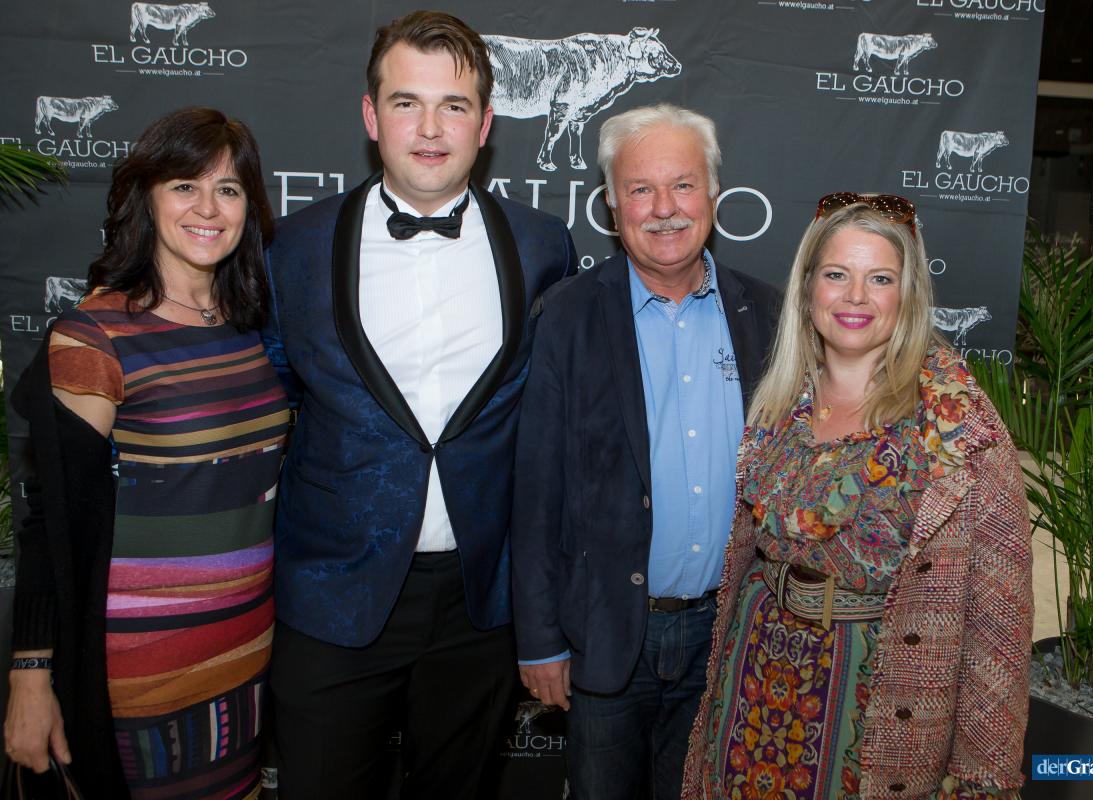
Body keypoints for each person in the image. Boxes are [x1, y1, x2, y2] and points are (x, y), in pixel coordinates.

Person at [260, 10, 577, 799]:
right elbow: (271, 399)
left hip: (482, 600)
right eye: (407, 103)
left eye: (453, 106)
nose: (430, 129)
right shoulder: (294, 248)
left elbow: (556, 418)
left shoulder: (543, 245)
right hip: (334, 593)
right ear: (372, 116)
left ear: (486, 124)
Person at [681, 193, 1032, 800]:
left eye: (880, 279)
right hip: (752, 675)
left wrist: (983, 778)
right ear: (808, 288)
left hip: (877, 697)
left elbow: (998, 619)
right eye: (837, 275)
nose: (856, 297)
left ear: (908, 295)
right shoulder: (779, 399)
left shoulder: (955, 423)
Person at [2, 106, 286, 799]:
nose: (207, 208)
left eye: (228, 189)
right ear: (146, 197)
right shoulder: (95, 338)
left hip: (245, 651)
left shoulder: (252, 329)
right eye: (185, 185)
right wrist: (30, 676)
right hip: (142, 668)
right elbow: (50, 520)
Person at [511, 103, 780, 800]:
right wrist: (539, 639)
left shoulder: (769, 315)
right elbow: (535, 491)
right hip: (605, 636)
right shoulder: (566, 316)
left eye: (683, 185)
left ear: (713, 194)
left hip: (728, 636)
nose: (664, 208)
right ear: (611, 203)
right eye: (641, 189)